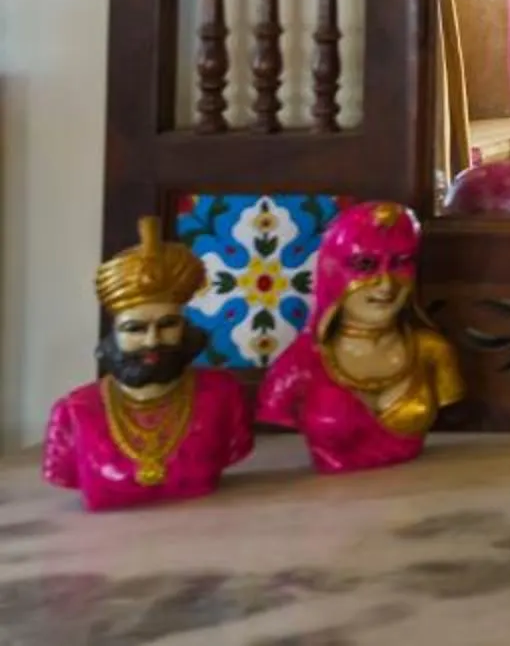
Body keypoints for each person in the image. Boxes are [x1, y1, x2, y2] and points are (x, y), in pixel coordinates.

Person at [42, 217, 256, 510]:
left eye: (167, 325)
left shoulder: (224, 395)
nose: (153, 341)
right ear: (113, 334)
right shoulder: (72, 413)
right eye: (135, 329)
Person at [256, 200, 463, 472]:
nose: (387, 284)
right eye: (365, 265)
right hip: (330, 505)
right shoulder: (297, 367)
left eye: (400, 263)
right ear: (331, 270)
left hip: (416, 490)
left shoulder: (432, 352)